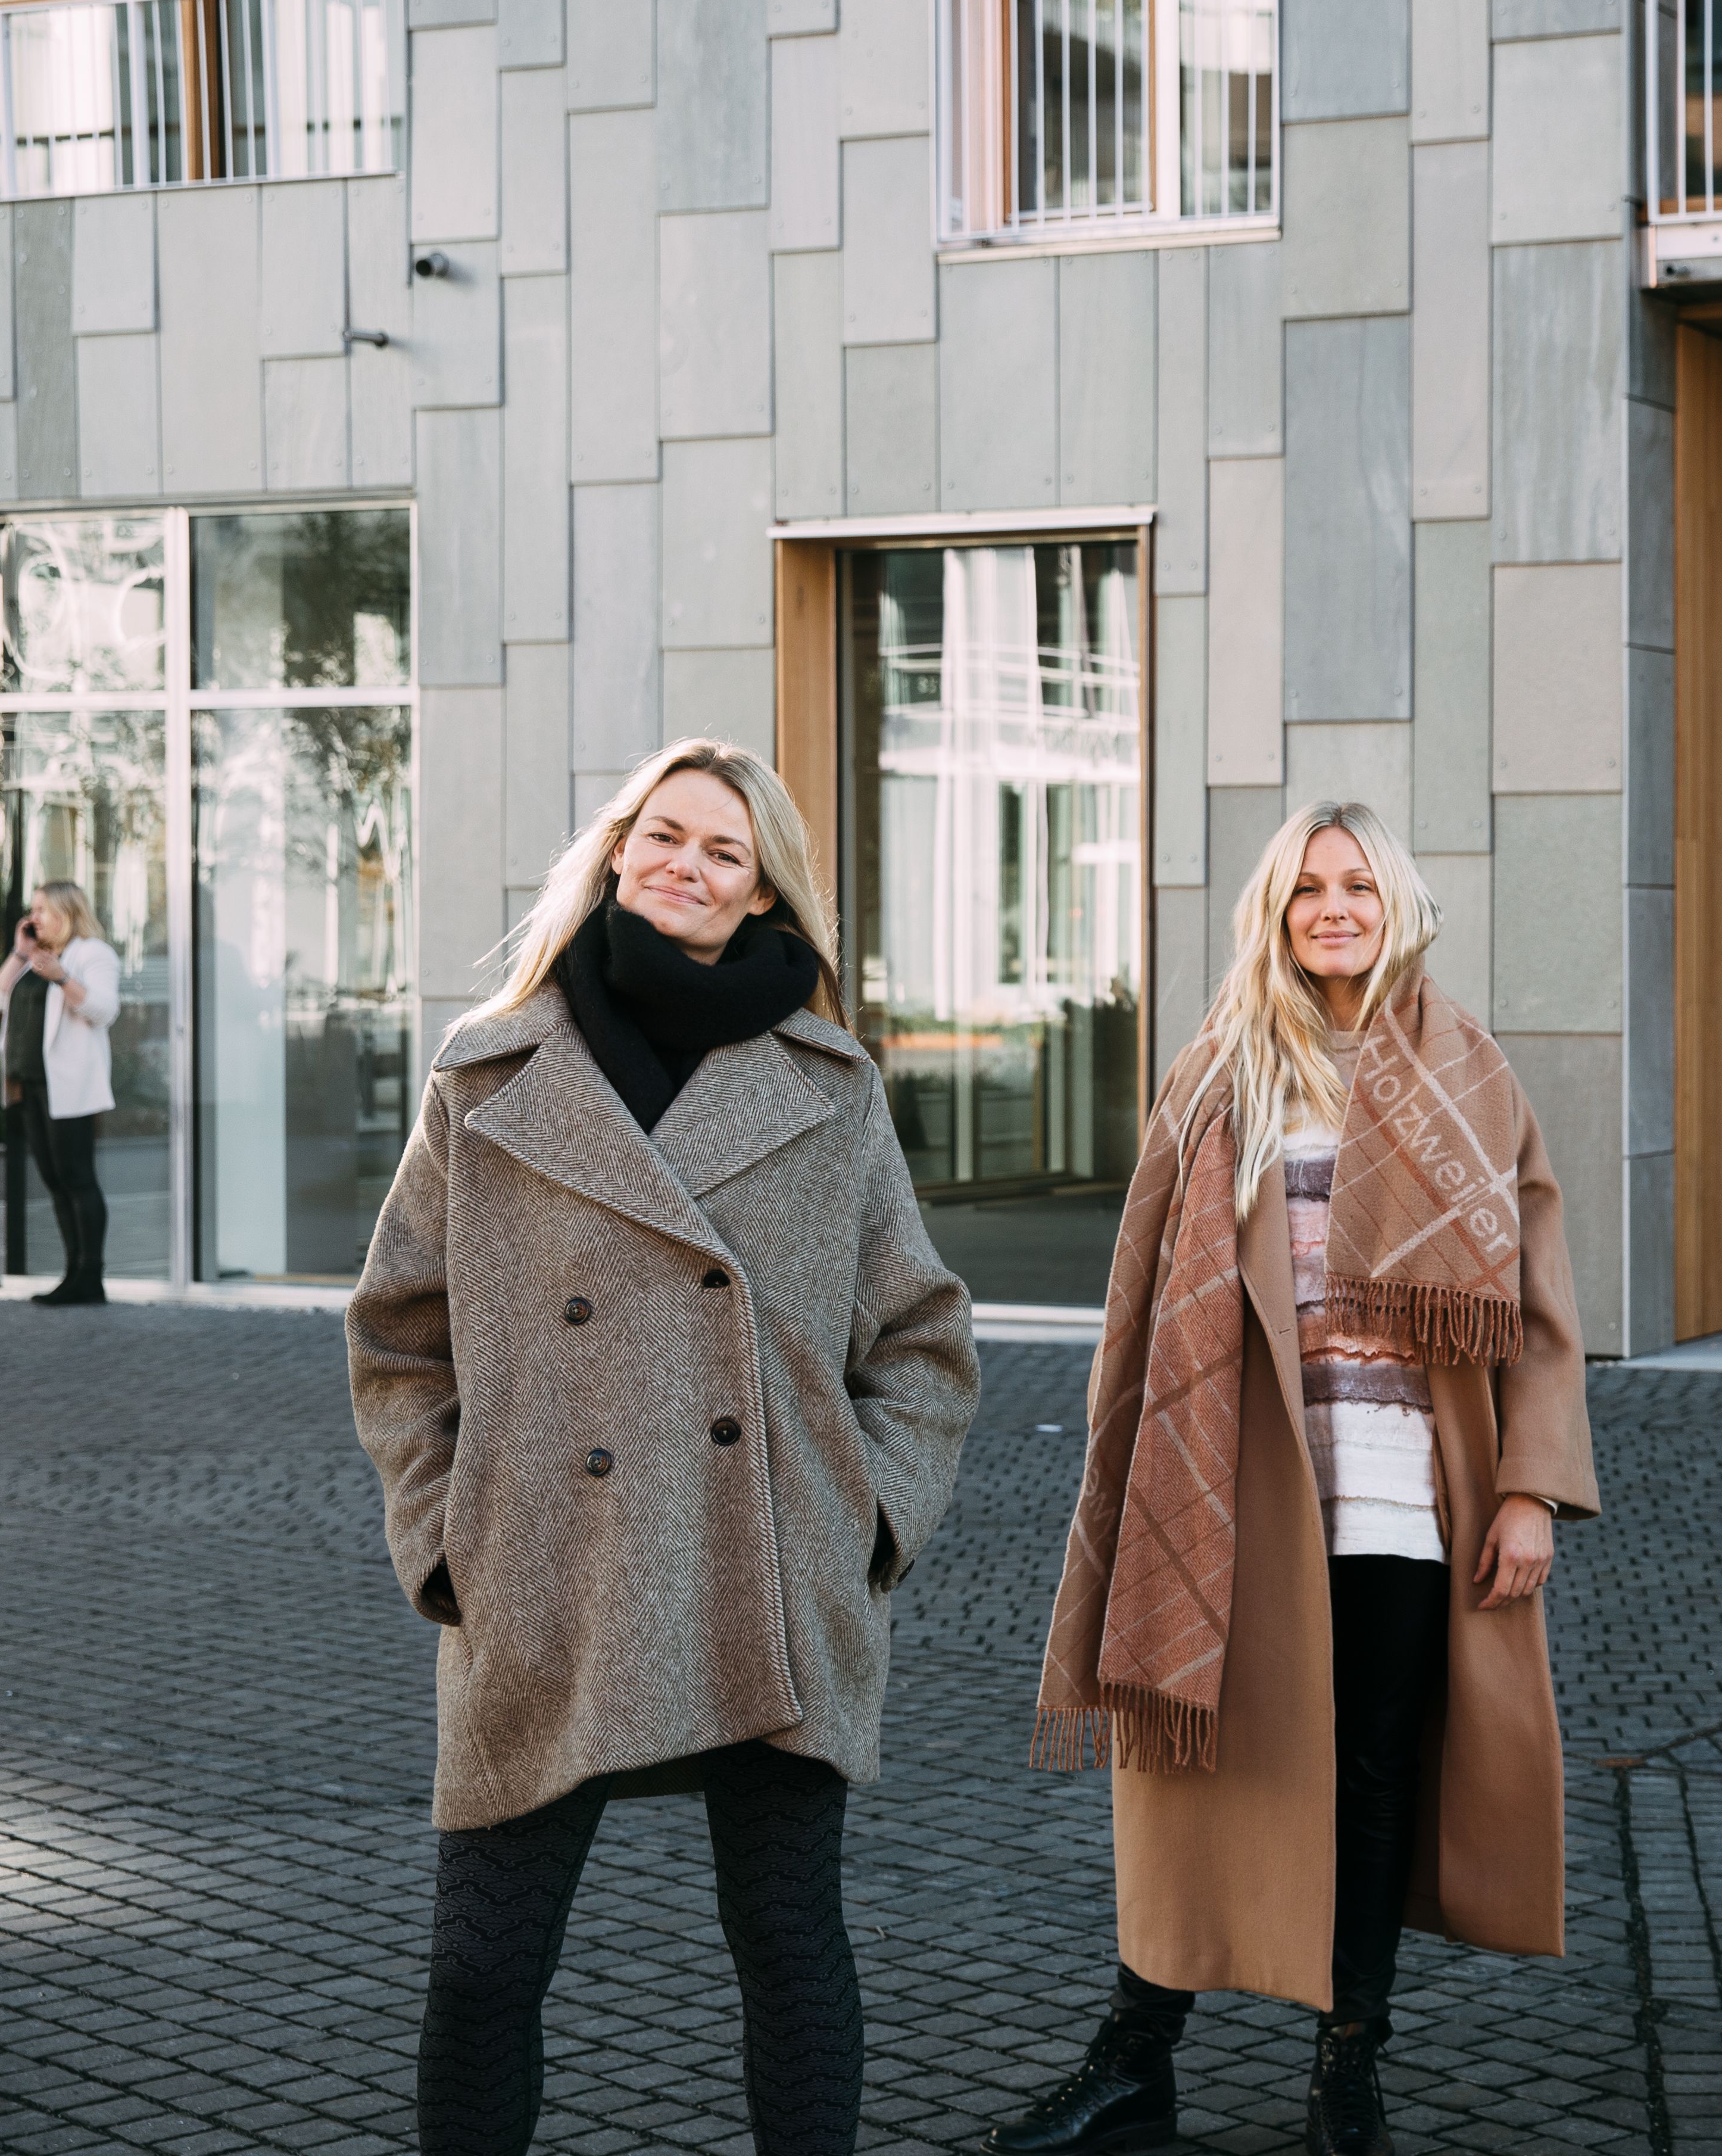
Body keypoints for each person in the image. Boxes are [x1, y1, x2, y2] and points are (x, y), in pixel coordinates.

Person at [348, 738, 981, 2156]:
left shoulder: (829, 1087)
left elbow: (923, 1337)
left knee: (788, 1944)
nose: (688, 867)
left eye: (726, 854)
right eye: (668, 835)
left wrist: (863, 1524)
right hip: (543, 1575)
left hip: (763, 1568)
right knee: (483, 1967)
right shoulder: (491, 1069)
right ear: (619, 848)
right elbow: (397, 1328)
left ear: (763, 899)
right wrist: (444, 1534)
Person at [988, 800, 1599, 2156]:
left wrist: (1528, 1486)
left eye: (1358, 884)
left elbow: (1541, 1306)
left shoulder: (1470, 1071)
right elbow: (1139, 1298)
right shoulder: (1217, 1072)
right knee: (1196, 1761)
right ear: (1275, 910)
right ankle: (1133, 2053)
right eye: (1307, 887)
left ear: (1397, 905)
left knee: (1376, 1769)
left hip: (1402, 1486)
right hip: (1234, 1483)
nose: (1334, 906)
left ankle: (1347, 2064)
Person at [0, 880, 120, 1305]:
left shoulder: (92, 954)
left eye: (41, 909)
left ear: (66, 911)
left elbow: (103, 1010)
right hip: (30, 1085)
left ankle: (90, 1277)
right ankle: (72, 1274)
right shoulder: (33, 959)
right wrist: (19, 953)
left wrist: (62, 977)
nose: (33, 918)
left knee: (77, 1178)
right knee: (54, 1180)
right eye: (33, 910)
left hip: (70, 1086)